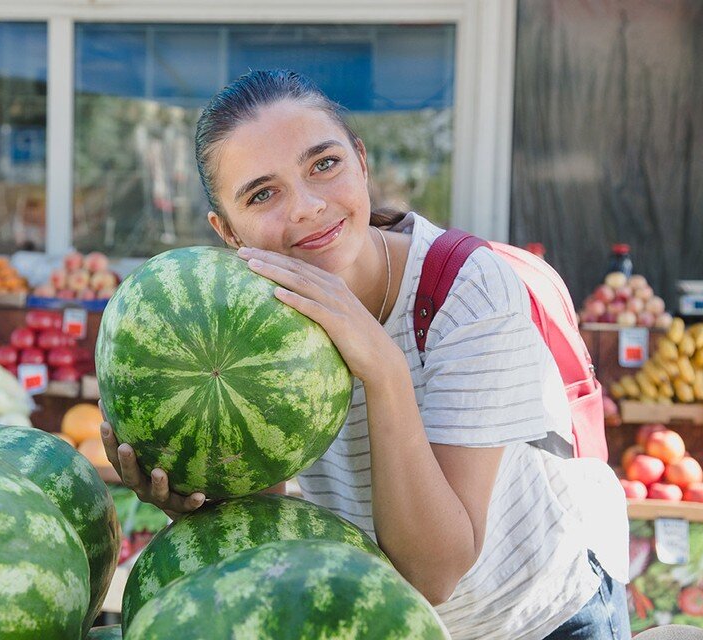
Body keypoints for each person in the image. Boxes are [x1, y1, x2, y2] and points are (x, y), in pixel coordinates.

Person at [100, 70, 630, 639]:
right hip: (394, 624)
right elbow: (271, 506)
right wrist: (208, 499)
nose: (306, 207)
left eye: (323, 164)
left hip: (542, 621)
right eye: (262, 193)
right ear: (228, 231)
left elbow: (434, 571)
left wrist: (382, 369)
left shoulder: (467, 289)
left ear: (361, 161)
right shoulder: (241, 319)